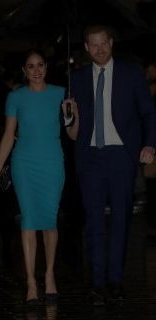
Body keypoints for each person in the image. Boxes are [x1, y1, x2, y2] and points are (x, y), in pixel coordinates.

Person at [62, 25, 156, 306]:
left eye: (104, 43)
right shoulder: (75, 79)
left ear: (111, 43)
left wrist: (150, 144)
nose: (100, 48)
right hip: (89, 157)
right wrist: (69, 115)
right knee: (92, 223)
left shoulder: (130, 74)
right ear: (87, 48)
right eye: (94, 44)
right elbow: (70, 130)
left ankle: (116, 281)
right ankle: (96, 283)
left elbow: (150, 112)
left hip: (121, 156)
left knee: (121, 221)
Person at [0, 50, 64, 306]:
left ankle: (50, 275)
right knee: (29, 221)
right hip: (24, 163)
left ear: (46, 67)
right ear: (24, 70)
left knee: (50, 220)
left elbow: (75, 132)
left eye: (40, 65)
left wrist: (72, 113)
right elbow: (9, 134)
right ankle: (31, 283)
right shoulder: (15, 97)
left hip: (53, 162)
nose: (36, 70)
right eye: (31, 66)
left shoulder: (61, 94)